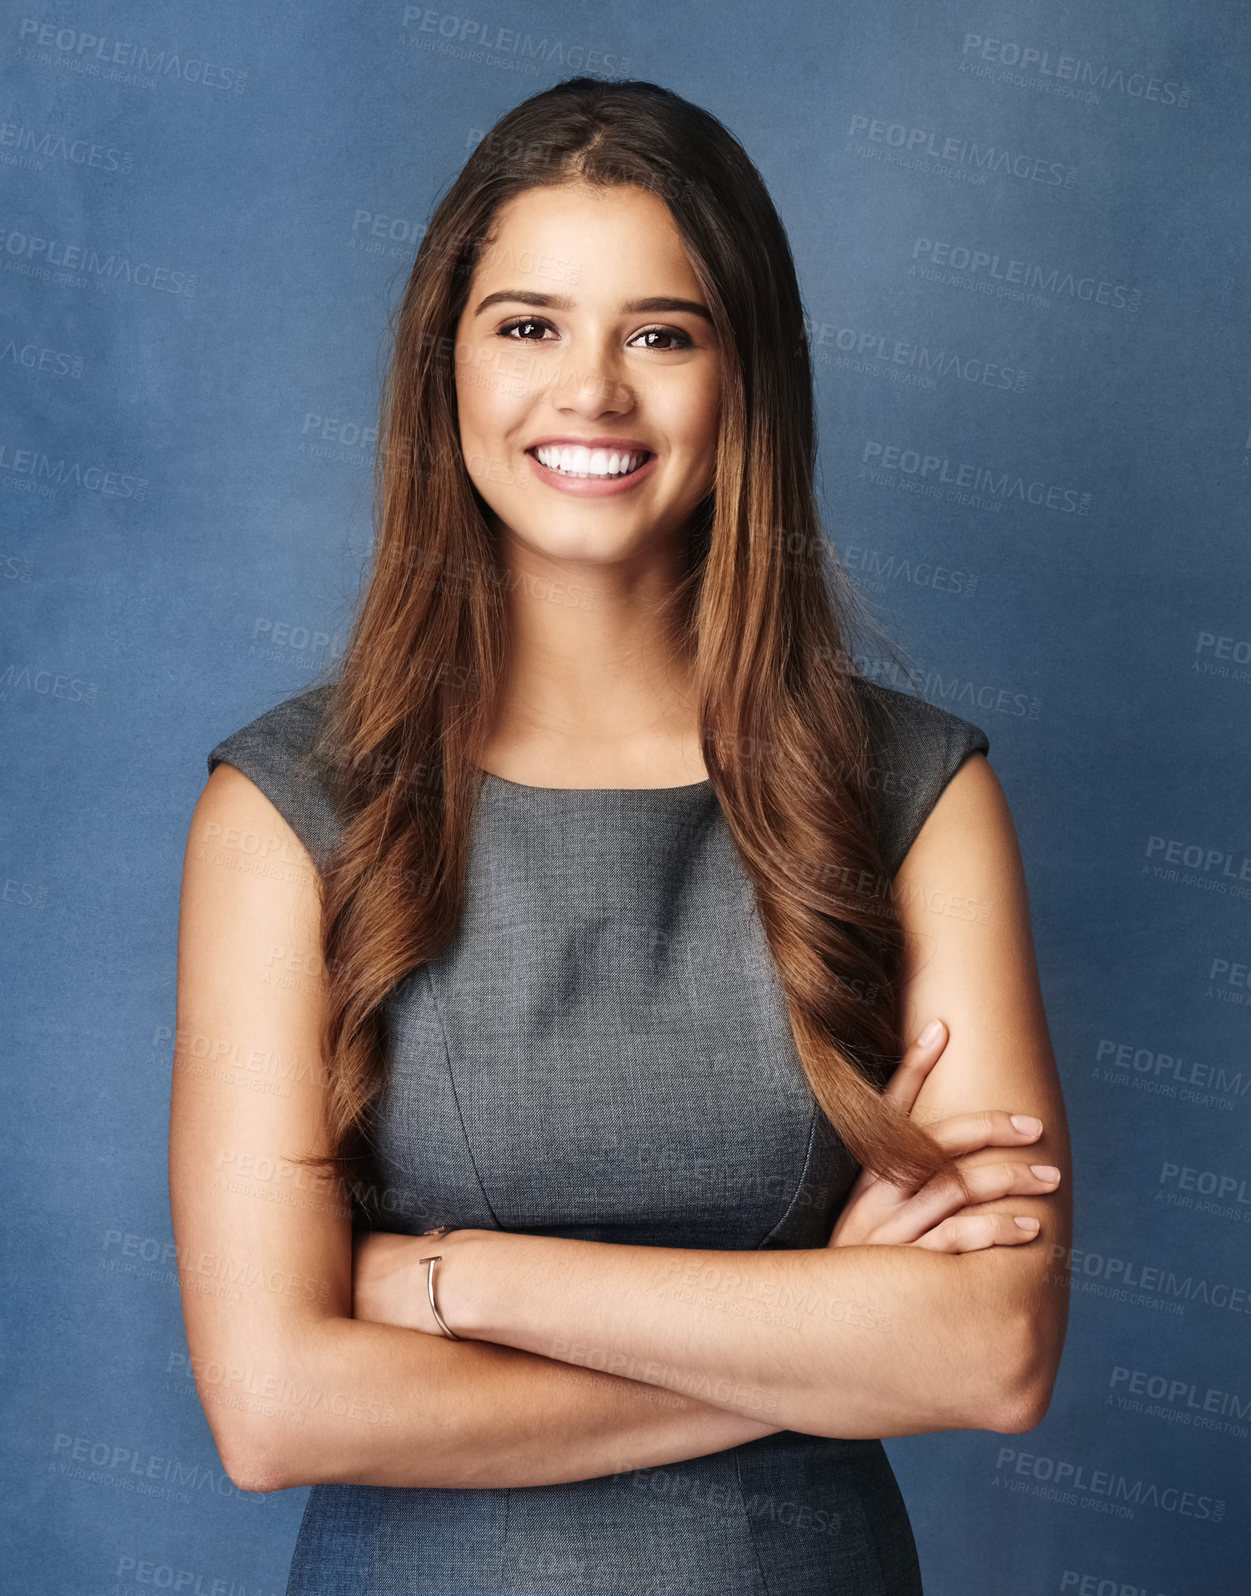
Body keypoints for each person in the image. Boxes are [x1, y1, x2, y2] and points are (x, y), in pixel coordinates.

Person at [170, 76, 1071, 1596]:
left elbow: (989, 1353)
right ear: (441, 366)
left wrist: (454, 1282)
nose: (590, 390)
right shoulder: (286, 808)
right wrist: (821, 1336)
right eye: (528, 325)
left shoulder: (917, 794)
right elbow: (275, 1408)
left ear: (748, 378)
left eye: (662, 332)